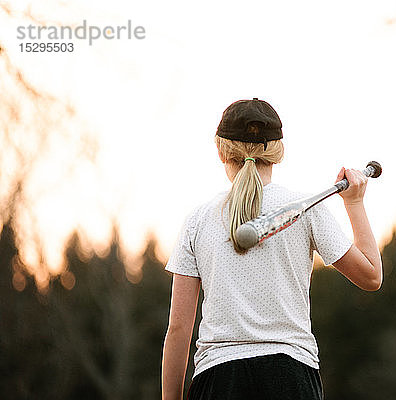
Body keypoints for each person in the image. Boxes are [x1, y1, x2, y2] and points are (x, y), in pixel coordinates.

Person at [161, 98, 382, 400]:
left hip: (218, 379)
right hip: (290, 377)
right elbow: (371, 276)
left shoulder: (197, 221)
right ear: (278, 152)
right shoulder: (308, 211)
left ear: (221, 150)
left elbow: (178, 330)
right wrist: (354, 203)